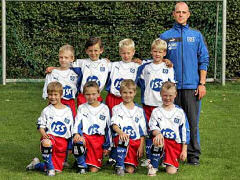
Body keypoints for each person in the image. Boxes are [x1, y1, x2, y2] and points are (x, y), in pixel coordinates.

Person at [159, 1, 209, 165]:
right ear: (173, 14)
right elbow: (157, 57)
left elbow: (204, 60)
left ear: (188, 14)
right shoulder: (165, 36)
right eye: (178, 12)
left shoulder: (196, 35)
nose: (180, 15)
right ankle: (168, 153)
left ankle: (193, 155)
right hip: (170, 88)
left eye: (184, 12)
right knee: (168, 121)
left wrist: (201, 84)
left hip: (191, 87)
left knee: (192, 123)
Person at [136, 38, 175, 166]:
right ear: (151, 52)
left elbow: (171, 85)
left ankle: (163, 157)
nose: (157, 54)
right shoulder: (146, 67)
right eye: (155, 51)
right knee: (149, 131)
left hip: (162, 106)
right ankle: (149, 158)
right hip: (148, 104)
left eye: (160, 52)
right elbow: (141, 82)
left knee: (162, 130)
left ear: (164, 53)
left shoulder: (168, 67)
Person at [26, 82, 74, 176]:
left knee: (58, 170)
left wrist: (69, 145)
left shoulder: (68, 110)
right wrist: (44, 135)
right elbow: (40, 125)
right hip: (50, 138)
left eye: (55, 94)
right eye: (50, 94)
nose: (52, 97)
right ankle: (50, 170)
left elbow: (70, 129)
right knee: (47, 143)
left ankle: (36, 164)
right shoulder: (47, 110)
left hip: (62, 141)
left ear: (61, 94)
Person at [147, 81, 190, 176]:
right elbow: (152, 127)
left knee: (171, 172)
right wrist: (158, 133)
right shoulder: (156, 111)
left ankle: (165, 161)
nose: (167, 98)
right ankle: (153, 166)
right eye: (165, 95)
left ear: (175, 95)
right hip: (161, 142)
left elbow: (185, 132)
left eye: (170, 95)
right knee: (158, 139)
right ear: (161, 94)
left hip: (174, 145)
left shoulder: (180, 112)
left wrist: (184, 150)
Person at [72, 81, 111, 174]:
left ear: (98, 93)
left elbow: (108, 128)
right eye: (88, 94)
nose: (91, 97)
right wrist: (77, 134)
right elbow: (77, 122)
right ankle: (81, 165)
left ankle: (82, 161)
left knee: (93, 170)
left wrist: (107, 146)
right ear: (84, 95)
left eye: (93, 94)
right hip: (85, 137)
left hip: (98, 140)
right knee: (78, 141)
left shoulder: (105, 108)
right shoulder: (82, 107)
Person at [111, 79, 147, 176]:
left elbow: (142, 132)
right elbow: (114, 125)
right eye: (125, 92)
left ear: (135, 92)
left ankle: (123, 162)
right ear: (120, 93)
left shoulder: (139, 110)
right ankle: (119, 166)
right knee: (123, 139)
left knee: (130, 170)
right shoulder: (116, 108)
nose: (127, 95)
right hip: (121, 139)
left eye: (130, 92)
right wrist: (121, 132)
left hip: (135, 141)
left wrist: (141, 146)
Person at [71, 37, 111, 107]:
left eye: (96, 50)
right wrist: (54, 68)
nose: (93, 53)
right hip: (83, 97)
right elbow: (66, 65)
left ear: (101, 50)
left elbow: (122, 65)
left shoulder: (106, 64)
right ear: (86, 51)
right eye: (90, 50)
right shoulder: (81, 63)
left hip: (97, 96)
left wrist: (134, 63)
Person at [42, 44, 79, 117]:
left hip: (70, 102)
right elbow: (47, 90)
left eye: (66, 57)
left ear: (72, 58)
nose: (63, 60)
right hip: (55, 102)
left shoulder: (76, 72)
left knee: (71, 124)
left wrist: (105, 61)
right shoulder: (52, 73)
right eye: (61, 57)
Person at [105, 38, 140, 114]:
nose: (126, 55)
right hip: (112, 98)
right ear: (120, 52)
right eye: (123, 53)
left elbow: (154, 62)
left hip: (127, 98)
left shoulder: (137, 66)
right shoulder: (113, 65)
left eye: (128, 53)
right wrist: (103, 60)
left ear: (133, 52)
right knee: (111, 120)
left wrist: (165, 60)